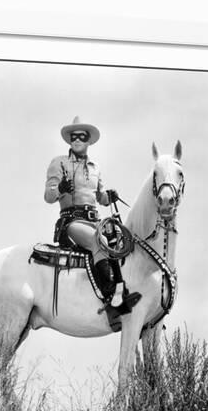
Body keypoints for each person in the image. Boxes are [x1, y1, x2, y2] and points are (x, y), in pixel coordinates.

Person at [44, 116, 141, 320]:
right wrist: (60, 189)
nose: (77, 140)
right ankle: (110, 299)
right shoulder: (58, 163)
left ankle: (125, 288)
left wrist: (109, 196)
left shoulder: (96, 167)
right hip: (73, 222)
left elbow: (101, 197)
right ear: (69, 140)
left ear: (88, 141)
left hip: (96, 220)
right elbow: (48, 196)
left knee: (123, 241)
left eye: (81, 136)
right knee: (100, 241)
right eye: (73, 137)